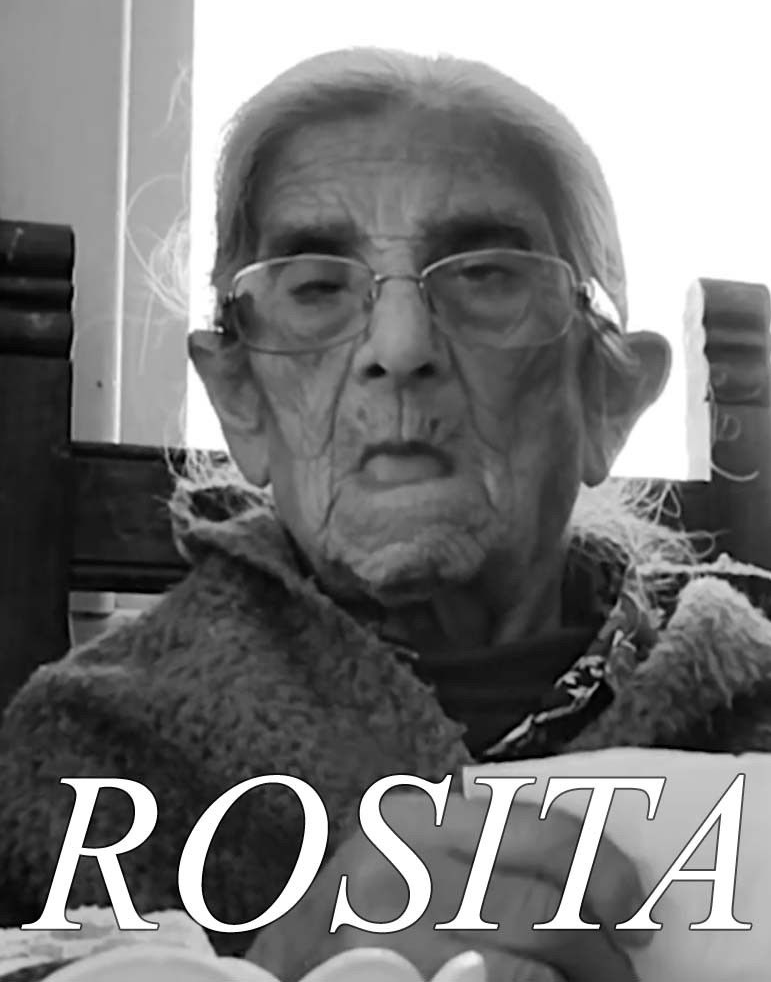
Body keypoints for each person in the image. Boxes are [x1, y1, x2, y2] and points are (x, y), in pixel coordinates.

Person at [2, 48, 771, 982]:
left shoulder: (752, 701)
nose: (399, 346)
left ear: (608, 394)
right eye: (316, 288)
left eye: (485, 276)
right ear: (240, 400)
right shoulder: (86, 757)